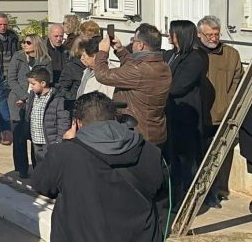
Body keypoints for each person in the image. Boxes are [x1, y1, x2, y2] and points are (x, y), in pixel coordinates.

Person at [31, 92, 168, 242]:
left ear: (77, 123)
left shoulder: (64, 154)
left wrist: (65, 143)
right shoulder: (150, 151)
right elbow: (162, 198)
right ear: (114, 117)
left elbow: (42, 185)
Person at [94, 24, 172, 146]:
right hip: (156, 129)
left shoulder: (139, 70)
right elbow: (132, 70)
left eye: (134, 40)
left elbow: (102, 75)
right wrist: (120, 50)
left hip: (137, 132)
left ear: (141, 45)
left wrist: (102, 52)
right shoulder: (163, 65)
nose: (132, 43)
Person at [197, 15, 243, 208]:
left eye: (216, 34)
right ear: (199, 35)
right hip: (199, 116)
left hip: (222, 116)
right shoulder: (194, 55)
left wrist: (229, 104)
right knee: (200, 156)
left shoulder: (231, 54)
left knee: (221, 157)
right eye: (209, 34)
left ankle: (217, 190)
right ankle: (201, 192)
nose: (213, 38)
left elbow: (237, 80)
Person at [163, 19, 207, 206]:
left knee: (185, 160)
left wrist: (158, 87)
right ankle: (173, 195)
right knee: (172, 158)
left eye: (171, 32)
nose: (168, 36)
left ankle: (185, 199)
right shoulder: (170, 54)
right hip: (170, 113)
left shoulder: (195, 59)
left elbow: (179, 86)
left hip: (185, 117)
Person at [7, 34, 52, 178]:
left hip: (37, 101)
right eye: (23, 42)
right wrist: (24, 96)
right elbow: (11, 79)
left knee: (35, 136)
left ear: (35, 44)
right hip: (19, 100)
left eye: (27, 42)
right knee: (19, 136)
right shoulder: (18, 57)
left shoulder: (45, 60)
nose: (24, 45)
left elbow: (47, 80)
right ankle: (22, 169)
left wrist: (32, 98)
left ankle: (37, 168)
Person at [25, 67, 70, 164]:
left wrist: (59, 140)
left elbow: (63, 121)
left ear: (43, 83)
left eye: (33, 84)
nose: (31, 87)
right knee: (39, 166)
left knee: (51, 166)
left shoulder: (57, 99)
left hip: (50, 141)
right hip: (36, 139)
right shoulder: (33, 96)